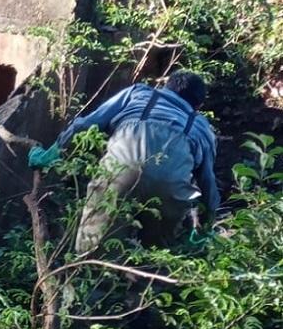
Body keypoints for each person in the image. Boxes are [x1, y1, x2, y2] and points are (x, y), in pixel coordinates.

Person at [29, 71, 220, 254]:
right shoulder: (201, 127)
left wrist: (52, 155)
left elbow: (85, 125)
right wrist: (205, 226)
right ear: (198, 105)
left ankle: (90, 278)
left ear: (165, 86)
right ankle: (145, 281)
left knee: (94, 251)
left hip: (118, 174)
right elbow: (207, 183)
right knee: (156, 257)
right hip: (169, 191)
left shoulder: (138, 93)